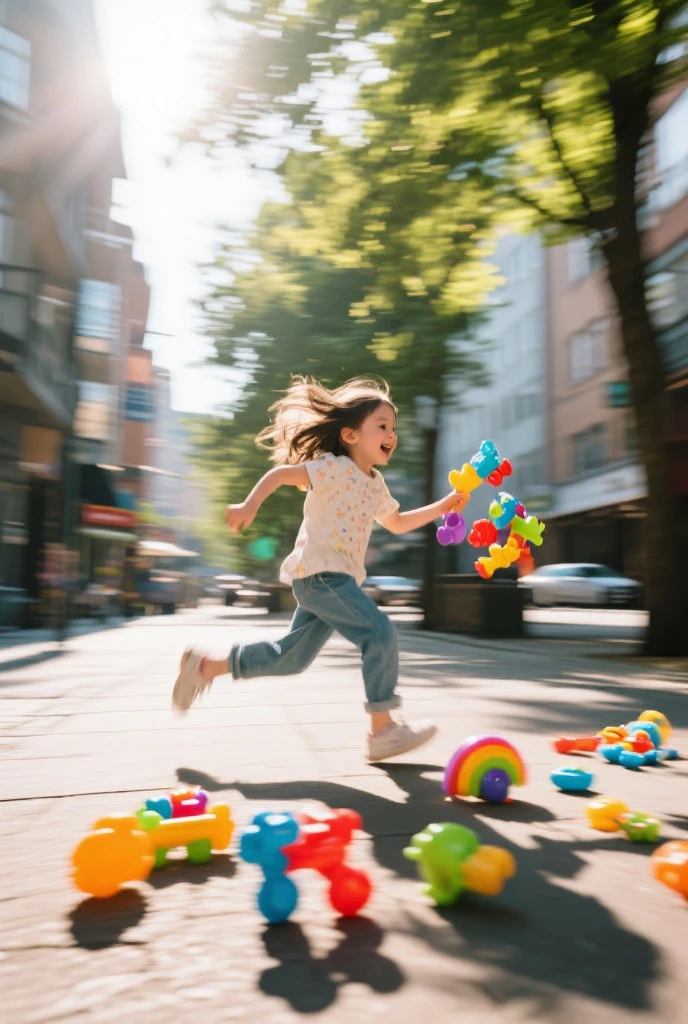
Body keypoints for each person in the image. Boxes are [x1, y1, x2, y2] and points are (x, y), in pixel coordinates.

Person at [172, 376, 468, 760]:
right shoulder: (332, 468)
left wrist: (443, 505)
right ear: (349, 434)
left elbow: (397, 522)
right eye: (382, 426)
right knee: (379, 633)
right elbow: (280, 475)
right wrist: (249, 505)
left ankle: (206, 667)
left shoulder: (375, 485)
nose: (391, 435)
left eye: (393, 428)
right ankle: (383, 729)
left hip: (333, 581)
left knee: (290, 658)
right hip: (320, 576)